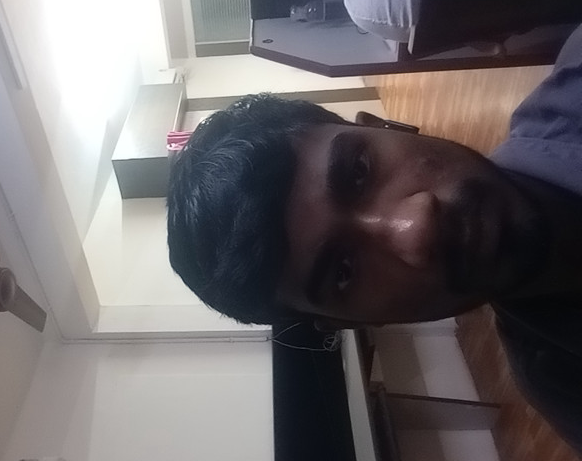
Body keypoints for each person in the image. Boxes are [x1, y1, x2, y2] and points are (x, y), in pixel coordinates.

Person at [167, 25, 582, 452]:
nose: (416, 228)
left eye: (360, 171)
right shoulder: (563, 384)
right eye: (344, 271)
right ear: (350, 322)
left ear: (385, 125)